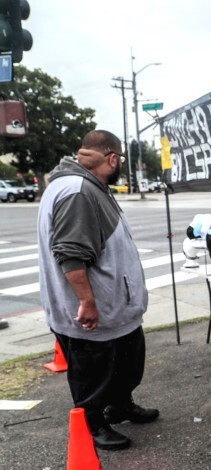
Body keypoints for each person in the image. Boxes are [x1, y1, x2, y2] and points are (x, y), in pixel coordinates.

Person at [38, 130, 158, 451]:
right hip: (94, 312)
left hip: (117, 310)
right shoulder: (78, 191)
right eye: (120, 161)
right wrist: (87, 302)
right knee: (92, 375)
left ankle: (120, 405)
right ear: (113, 158)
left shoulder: (87, 185)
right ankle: (93, 424)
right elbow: (71, 255)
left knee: (126, 364)